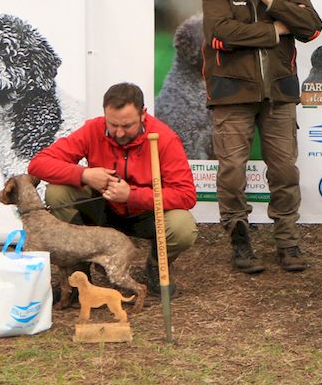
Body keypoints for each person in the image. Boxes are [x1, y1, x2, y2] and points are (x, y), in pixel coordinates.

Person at [202, 0, 322, 274]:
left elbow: (312, 28)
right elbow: (219, 34)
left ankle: (287, 241)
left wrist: (273, 1)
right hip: (231, 92)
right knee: (231, 171)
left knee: (284, 170)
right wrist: (275, 31)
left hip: (280, 91)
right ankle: (239, 238)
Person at [28, 82, 198, 295]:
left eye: (127, 126)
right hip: (102, 209)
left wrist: (132, 195)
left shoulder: (163, 139)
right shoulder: (93, 129)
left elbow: (186, 195)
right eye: (113, 124)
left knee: (182, 227)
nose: (119, 133)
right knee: (57, 192)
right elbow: (38, 164)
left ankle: (156, 267)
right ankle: (79, 271)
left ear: (143, 114)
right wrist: (84, 174)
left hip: (145, 214)